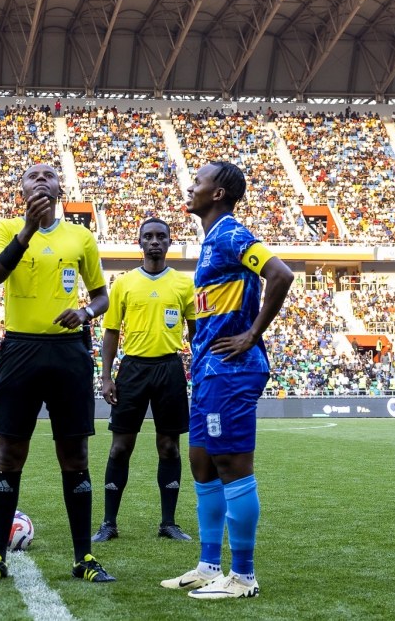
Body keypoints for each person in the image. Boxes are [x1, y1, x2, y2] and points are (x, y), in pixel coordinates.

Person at [0, 163, 115, 586]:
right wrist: (28, 230)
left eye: (48, 174)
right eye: (32, 176)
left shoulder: (81, 237)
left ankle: (84, 557)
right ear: (21, 190)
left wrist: (85, 312)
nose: (40, 179)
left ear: (59, 187)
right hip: (20, 349)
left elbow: (102, 295)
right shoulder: (5, 228)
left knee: (75, 457)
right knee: (9, 455)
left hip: (69, 351)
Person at [161, 161, 292, 600]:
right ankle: (208, 564)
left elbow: (281, 274)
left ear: (217, 194)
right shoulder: (211, 241)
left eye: (199, 181)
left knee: (232, 465)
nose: (191, 186)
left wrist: (252, 334)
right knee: (201, 461)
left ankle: (244, 576)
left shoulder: (233, 234)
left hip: (231, 371)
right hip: (207, 371)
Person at [92, 217, 196, 543]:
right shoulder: (123, 284)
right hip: (133, 369)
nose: (154, 241)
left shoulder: (183, 284)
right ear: (140, 243)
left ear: (168, 242)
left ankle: (168, 522)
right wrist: (106, 376)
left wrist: (203, 371)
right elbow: (110, 332)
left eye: (160, 237)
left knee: (169, 447)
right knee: (121, 446)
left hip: (170, 368)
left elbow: (196, 333)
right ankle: (109, 523)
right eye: (148, 236)